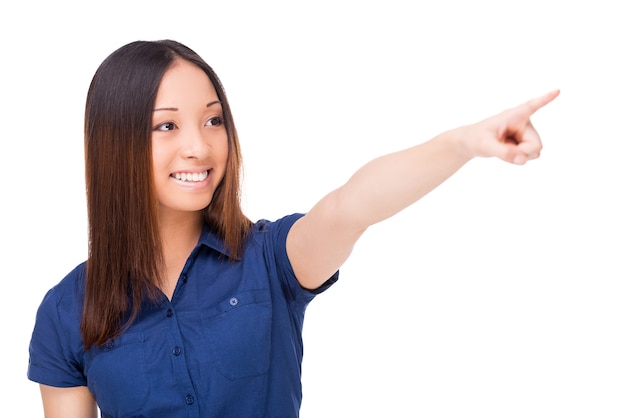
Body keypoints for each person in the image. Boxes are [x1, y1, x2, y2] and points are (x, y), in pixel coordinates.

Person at [27, 39, 559, 418]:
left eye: (213, 120)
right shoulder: (65, 311)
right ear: (114, 145)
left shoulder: (269, 259)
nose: (200, 145)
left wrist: (463, 143)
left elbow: (352, 205)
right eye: (167, 126)